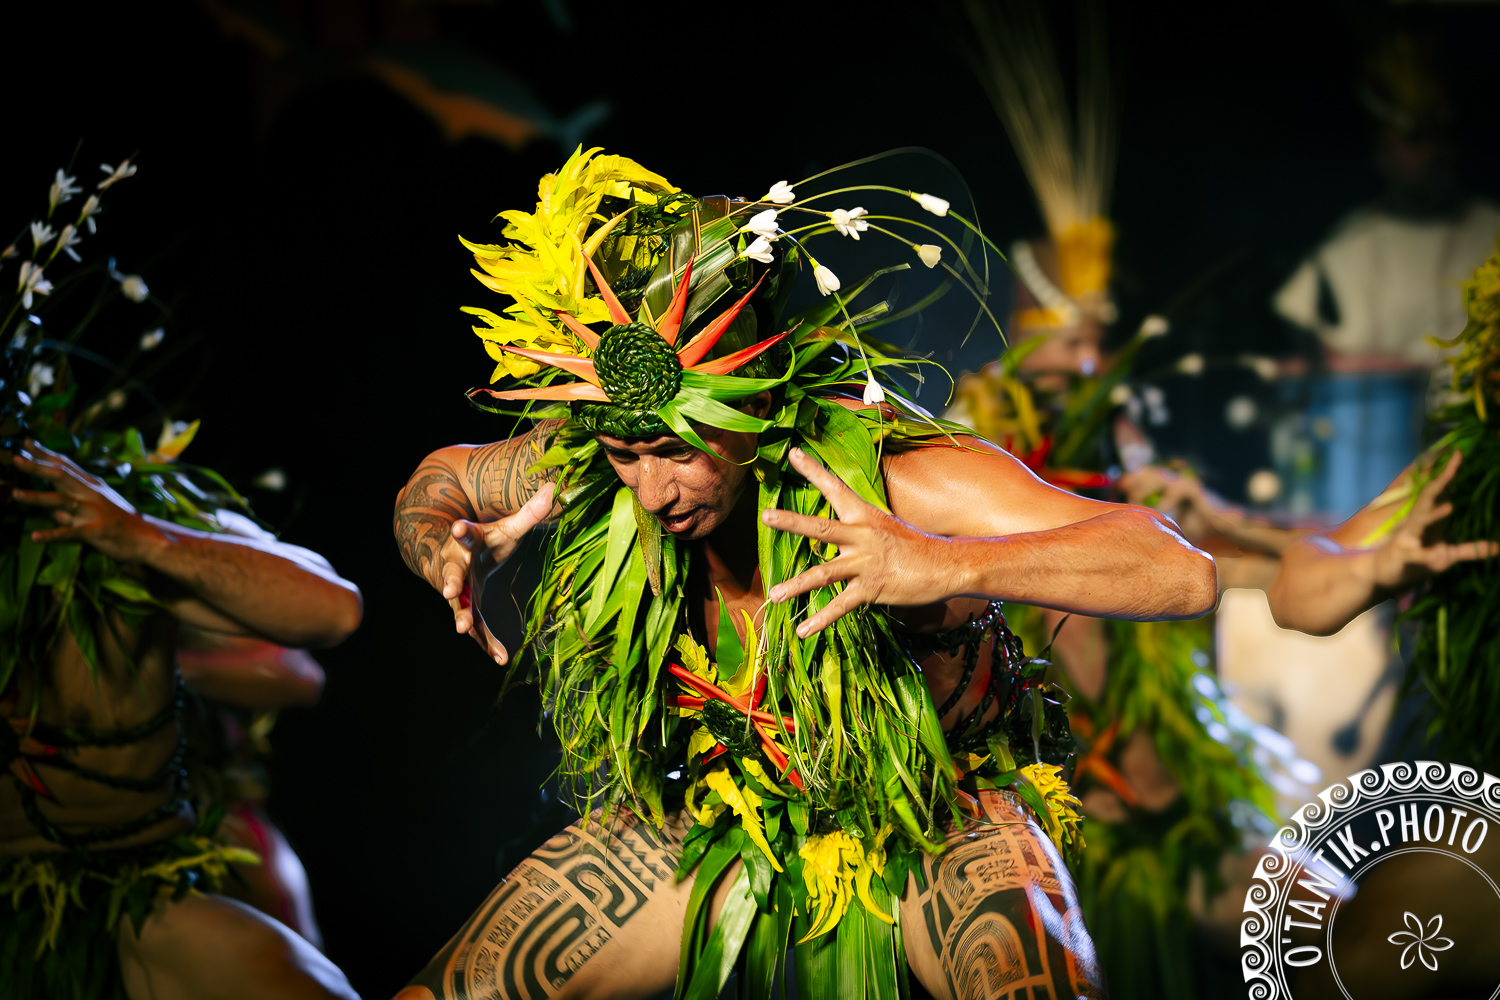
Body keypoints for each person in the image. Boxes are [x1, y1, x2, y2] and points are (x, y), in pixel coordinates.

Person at [391, 147, 1216, 999]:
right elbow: (441, 478)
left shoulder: (898, 476)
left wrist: (940, 560)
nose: (652, 489)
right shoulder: (608, 461)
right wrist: (442, 545)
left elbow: (1181, 569)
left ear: (753, 401)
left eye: (675, 450)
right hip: (733, 805)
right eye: (625, 455)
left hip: (938, 814)